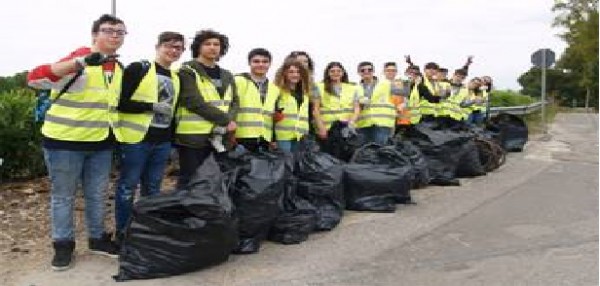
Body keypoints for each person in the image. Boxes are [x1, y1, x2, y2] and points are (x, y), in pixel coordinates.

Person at [26, 14, 125, 271]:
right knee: (63, 197)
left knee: (97, 195)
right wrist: (77, 63)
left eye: (120, 32)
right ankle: (63, 246)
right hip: (64, 143)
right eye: (109, 30)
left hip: (100, 144)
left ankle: (97, 239)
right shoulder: (79, 58)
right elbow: (34, 79)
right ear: (95, 35)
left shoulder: (116, 68)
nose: (115, 35)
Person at [113, 31, 185, 241]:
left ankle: (146, 229)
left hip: (161, 142)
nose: (173, 51)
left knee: (153, 189)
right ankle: (124, 232)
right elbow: (120, 102)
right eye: (169, 46)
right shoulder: (139, 68)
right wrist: (150, 107)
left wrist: (171, 142)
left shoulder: (176, 78)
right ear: (158, 46)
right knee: (128, 186)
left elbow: (172, 113)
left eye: (178, 48)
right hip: (136, 140)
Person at [175, 29, 238, 189]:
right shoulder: (187, 71)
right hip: (193, 137)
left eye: (216, 44)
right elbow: (193, 101)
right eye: (207, 44)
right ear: (198, 47)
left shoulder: (227, 75)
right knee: (191, 180)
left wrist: (228, 120)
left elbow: (234, 102)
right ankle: (186, 213)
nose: (212, 47)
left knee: (214, 181)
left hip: (219, 138)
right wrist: (225, 120)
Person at [233, 48, 279, 152]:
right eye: (256, 61)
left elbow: (272, 117)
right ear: (249, 63)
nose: (261, 64)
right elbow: (228, 108)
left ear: (270, 64)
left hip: (264, 139)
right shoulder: (238, 81)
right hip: (240, 138)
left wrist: (273, 139)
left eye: (265, 62)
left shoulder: (274, 89)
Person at [313, 62, 361, 140]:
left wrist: (351, 123)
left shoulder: (352, 88)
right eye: (332, 71)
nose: (336, 73)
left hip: (347, 128)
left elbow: (357, 109)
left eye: (338, 71)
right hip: (328, 128)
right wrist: (321, 127)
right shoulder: (319, 87)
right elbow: (316, 110)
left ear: (342, 73)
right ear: (328, 73)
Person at [273, 59, 313, 152]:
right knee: (285, 165)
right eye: (291, 72)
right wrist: (272, 139)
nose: (295, 75)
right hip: (283, 138)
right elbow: (270, 117)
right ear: (284, 74)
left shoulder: (305, 94)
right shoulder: (277, 92)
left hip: (301, 137)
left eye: (298, 72)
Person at [355, 61, 397, 145]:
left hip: (382, 124)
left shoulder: (387, 84)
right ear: (359, 72)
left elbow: (405, 96)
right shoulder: (355, 88)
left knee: (380, 151)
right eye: (363, 70)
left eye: (369, 70)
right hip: (363, 124)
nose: (366, 72)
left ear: (373, 71)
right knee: (364, 152)